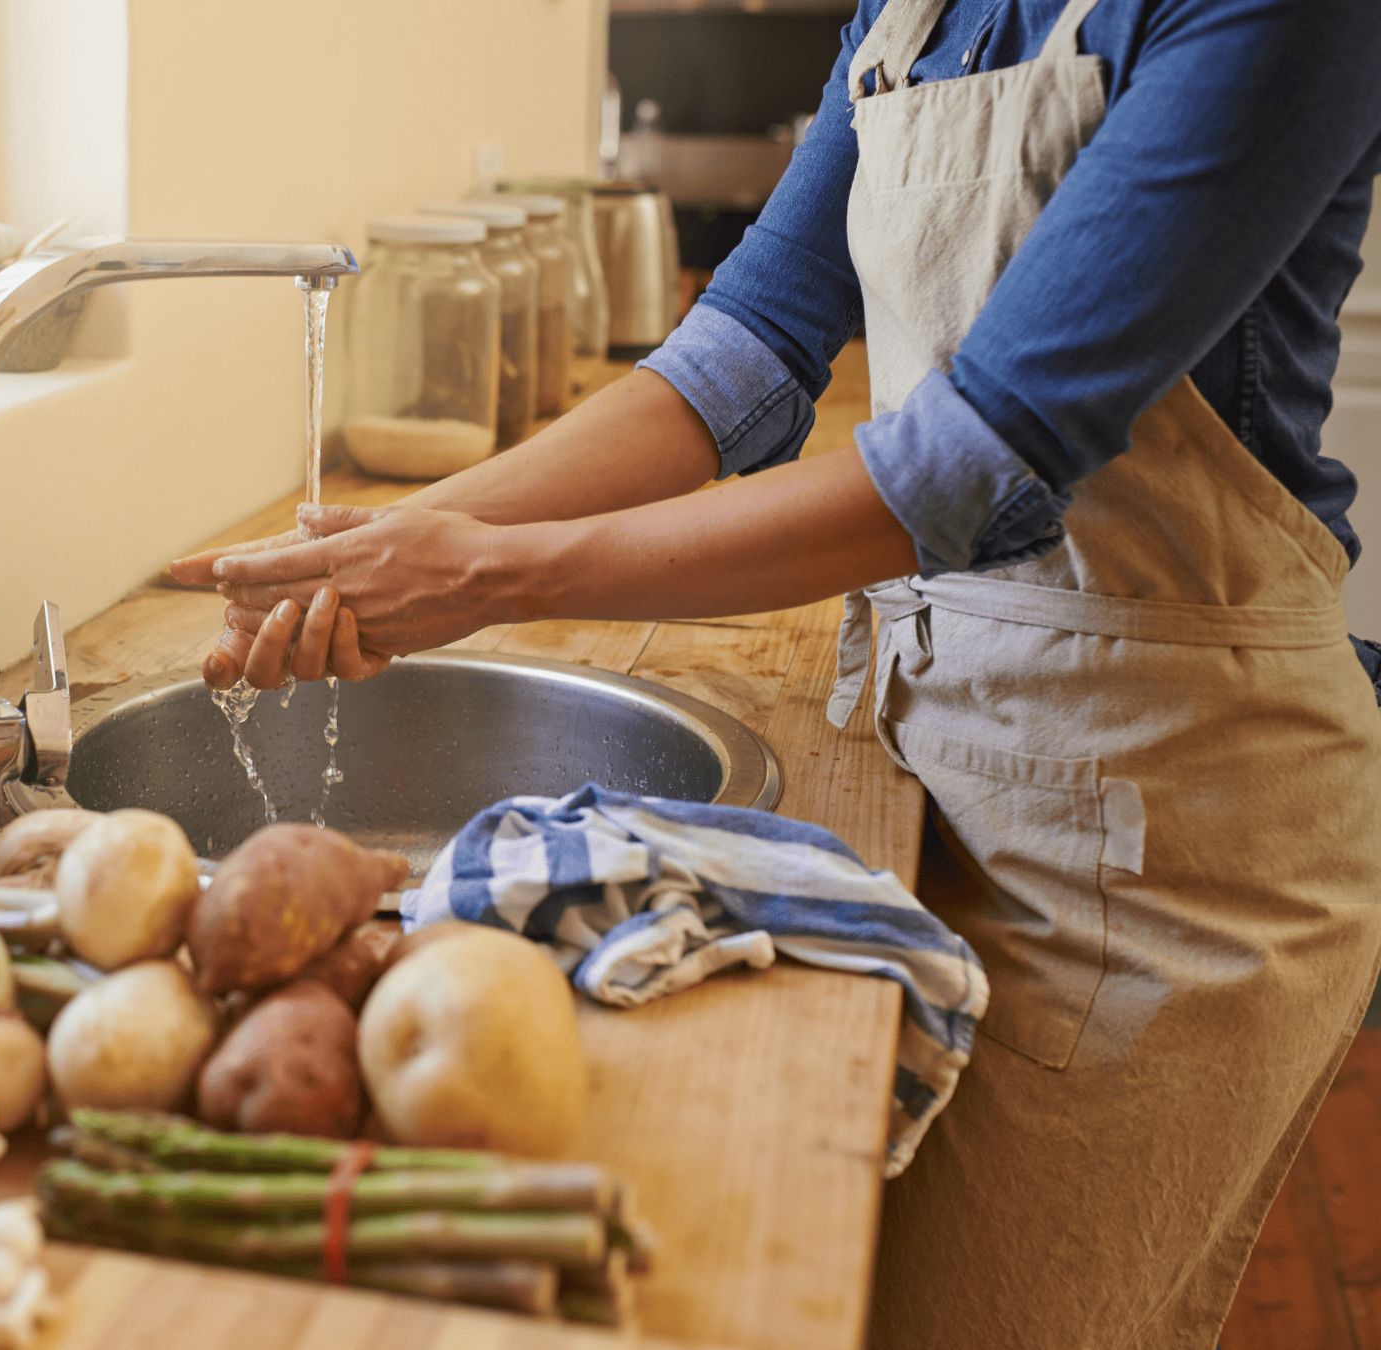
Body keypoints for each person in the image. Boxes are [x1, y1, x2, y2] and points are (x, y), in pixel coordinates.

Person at [169, 0, 1381, 1344]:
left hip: (1166, 853)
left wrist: (490, 576)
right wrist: (414, 540)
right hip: (944, 767)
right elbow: (742, 346)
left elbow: (975, 459)